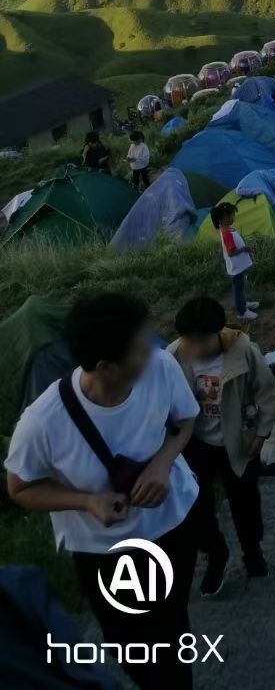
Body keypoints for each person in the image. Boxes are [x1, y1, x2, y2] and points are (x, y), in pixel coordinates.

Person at [5, 293, 199, 690]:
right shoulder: (43, 421)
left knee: (171, 631)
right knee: (129, 645)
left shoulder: (161, 367)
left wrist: (163, 464)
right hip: (104, 552)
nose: (152, 350)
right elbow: (20, 487)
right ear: (106, 367)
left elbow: (185, 421)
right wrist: (86, 501)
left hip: (171, 525)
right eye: (139, 348)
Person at [169, 297, 275, 595]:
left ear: (217, 333)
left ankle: (252, 552)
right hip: (195, 442)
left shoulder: (243, 351)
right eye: (188, 340)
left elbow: (266, 390)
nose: (195, 348)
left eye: (201, 341)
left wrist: (262, 432)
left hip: (237, 440)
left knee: (244, 501)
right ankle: (216, 553)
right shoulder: (174, 356)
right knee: (195, 505)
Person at [210, 202, 259, 322]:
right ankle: (242, 312)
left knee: (240, 287)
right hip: (236, 267)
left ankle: (243, 303)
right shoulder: (226, 233)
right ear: (221, 220)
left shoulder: (227, 229)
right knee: (238, 289)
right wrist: (245, 249)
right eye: (230, 216)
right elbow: (231, 252)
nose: (233, 218)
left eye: (232, 215)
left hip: (239, 265)